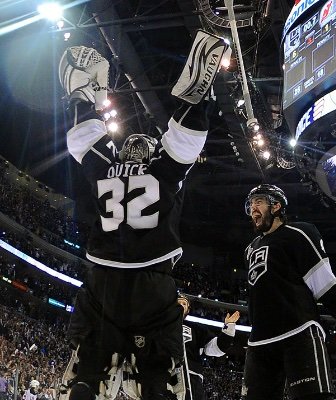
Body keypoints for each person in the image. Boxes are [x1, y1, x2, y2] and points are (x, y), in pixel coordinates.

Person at [58, 32, 230, 400]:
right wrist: (195, 104)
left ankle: (85, 380)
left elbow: (81, 138)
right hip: (152, 279)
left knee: (89, 360)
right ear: (150, 153)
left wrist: (82, 96)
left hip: (103, 279)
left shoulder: (106, 167)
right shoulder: (160, 173)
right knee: (156, 368)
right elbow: (184, 143)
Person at [241, 184, 336, 400]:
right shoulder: (250, 248)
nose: (253, 208)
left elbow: (322, 279)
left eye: (258, 202)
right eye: (250, 205)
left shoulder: (299, 233)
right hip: (259, 340)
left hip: (298, 331)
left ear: (276, 206)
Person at [177, 295, 240, 400]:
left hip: (191, 379)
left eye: (184, 304)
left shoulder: (197, 329)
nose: (180, 306)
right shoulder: (159, 326)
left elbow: (216, 349)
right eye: (178, 303)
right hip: (163, 376)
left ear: (188, 310)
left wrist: (229, 329)